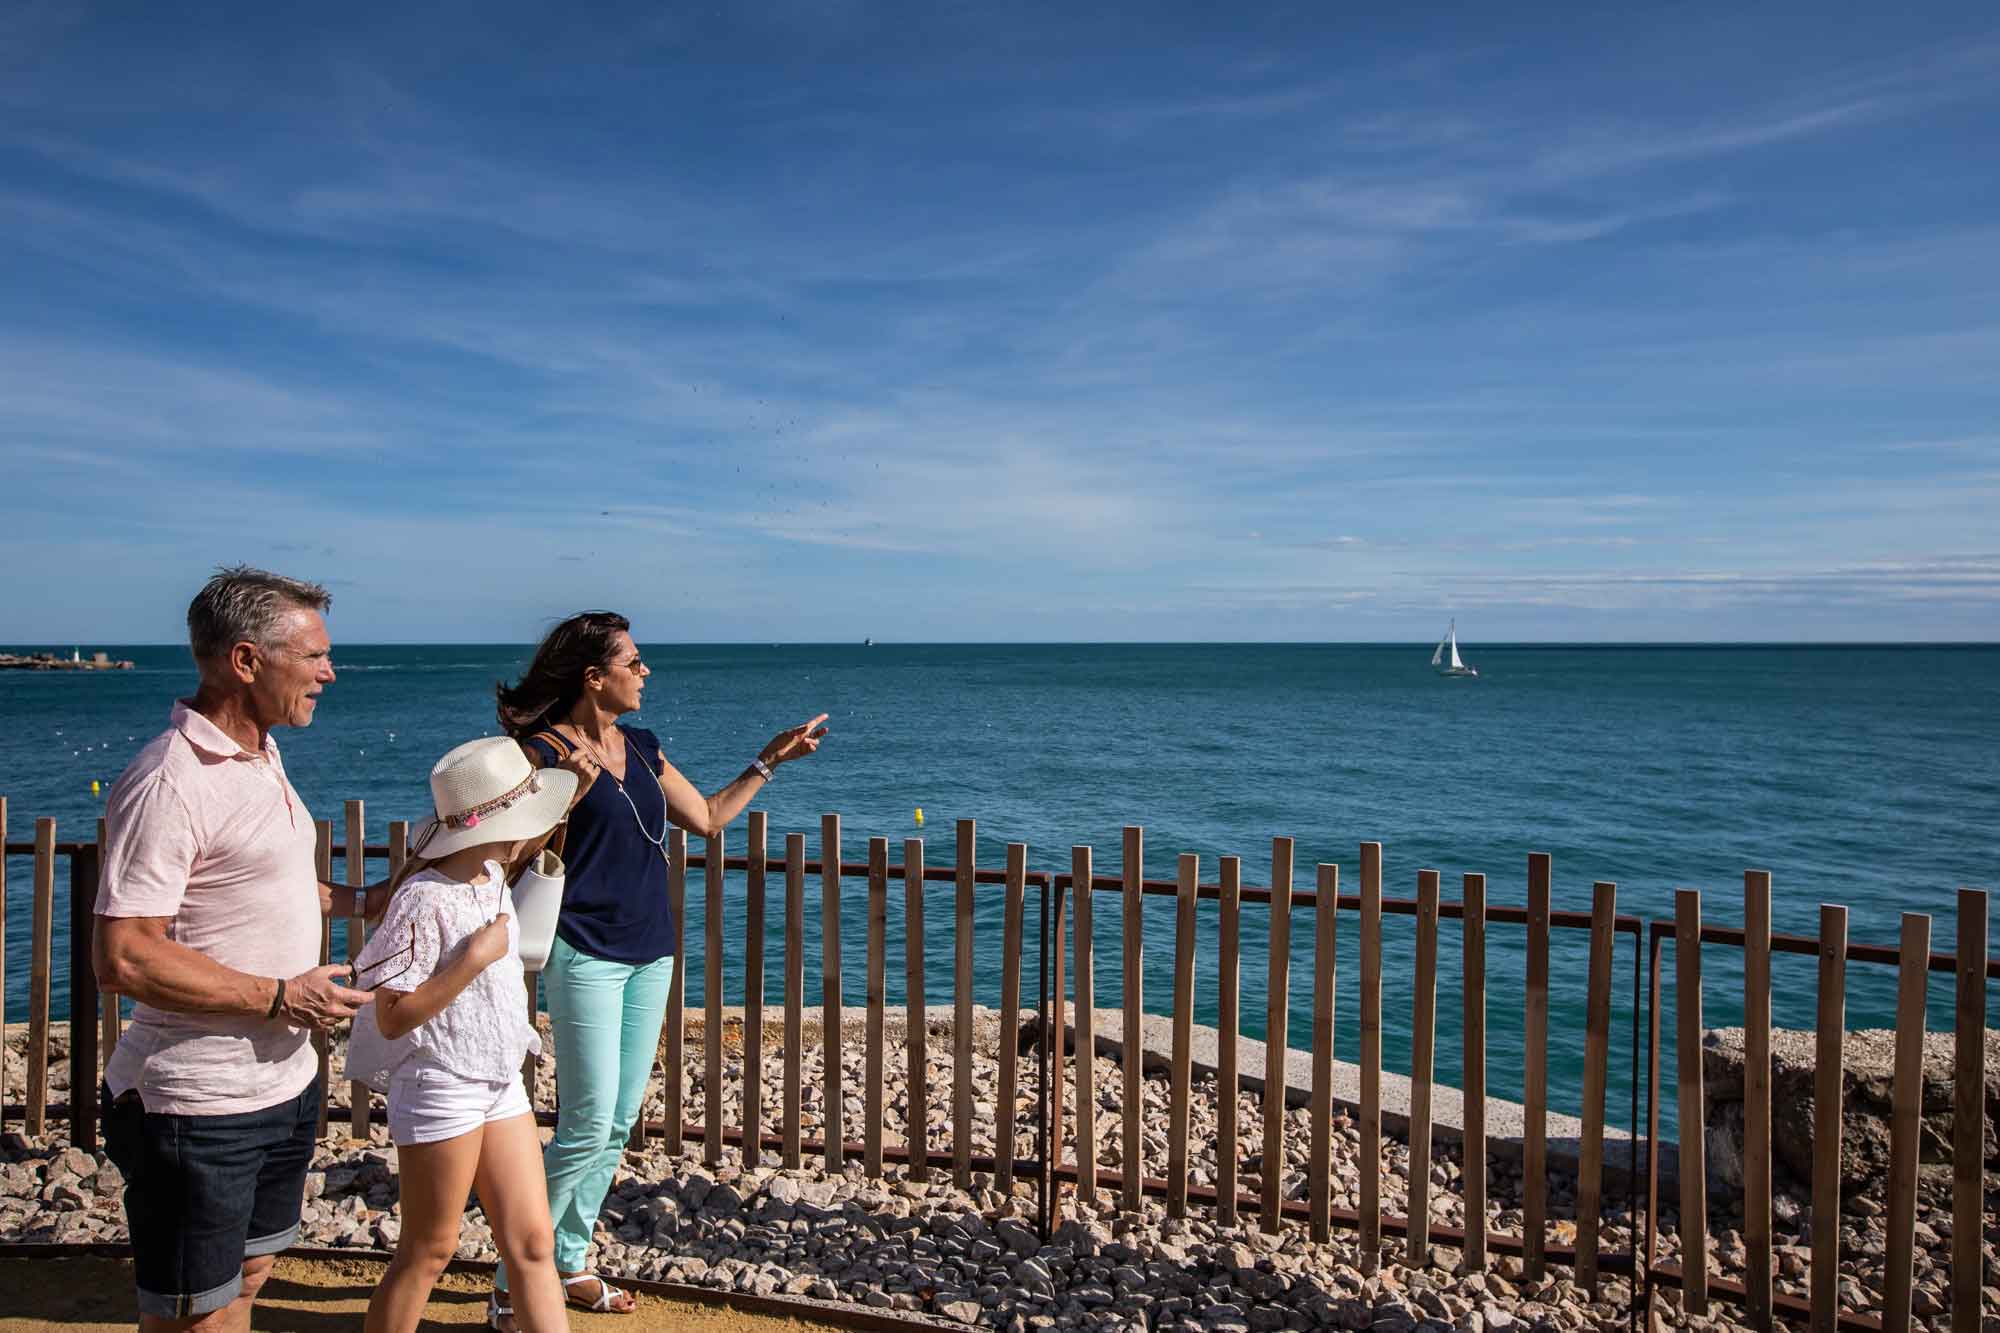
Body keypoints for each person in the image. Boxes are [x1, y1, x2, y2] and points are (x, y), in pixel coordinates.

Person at [489, 611, 826, 1321]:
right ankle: (515, 1279)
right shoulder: (542, 751)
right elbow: (508, 853)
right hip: (584, 950)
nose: (645, 672)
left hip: (651, 951)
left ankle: (569, 1258)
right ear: (594, 676)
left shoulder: (640, 746)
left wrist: (768, 760)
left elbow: (705, 816)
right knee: (584, 1121)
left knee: (616, 1122)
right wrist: (568, 794)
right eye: (633, 662)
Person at [93, 567, 387, 1332]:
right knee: (196, 1314)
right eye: (313, 654)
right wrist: (282, 996)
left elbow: (266, 884)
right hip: (198, 1103)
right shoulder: (170, 781)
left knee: (251, 1273)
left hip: (282, 1085)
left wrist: (363, 902)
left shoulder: (260, 754)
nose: (330, 671)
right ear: (247, 661)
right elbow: (124, 955)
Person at [344, 738, 578, 1333]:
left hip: (499, 1078)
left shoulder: (492, 875)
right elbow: (392, 1016)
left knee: (531, 1245)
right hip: (440, 1081)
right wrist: (472, 959)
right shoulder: (422, 899)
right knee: (429, 1249)